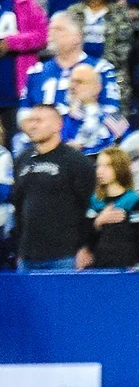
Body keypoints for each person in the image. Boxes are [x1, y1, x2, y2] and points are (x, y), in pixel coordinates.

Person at [11, 102, 93, 269]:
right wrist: (20, 248)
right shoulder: (21, 160)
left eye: (39, 120)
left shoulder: (76, 161)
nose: (33, 125)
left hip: (65, 255)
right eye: (31, 120)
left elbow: (89, 206)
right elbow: (18, 206)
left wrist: (86, 246)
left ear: (57, 125)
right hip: (28, 256)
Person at [0, 0, 47, 134]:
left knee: (18, 143)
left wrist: (10, 43)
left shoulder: (23, 1)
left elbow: (42, 36)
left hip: (15, 91)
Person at [82, 145, 139, 267]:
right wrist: (98, 222)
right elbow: (85, 237)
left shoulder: (134, 201)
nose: (100, 171)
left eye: (107, 166)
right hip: (98, 267)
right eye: (99, 166)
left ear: (120, 168)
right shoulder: (94, 201)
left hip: (127, 267)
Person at [61, 63, 125, 154]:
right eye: (72, 82)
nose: (73, 87)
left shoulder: (112, 117)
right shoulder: (61, 119)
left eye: (79, 82)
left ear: (97, 87)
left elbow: (125, 146)